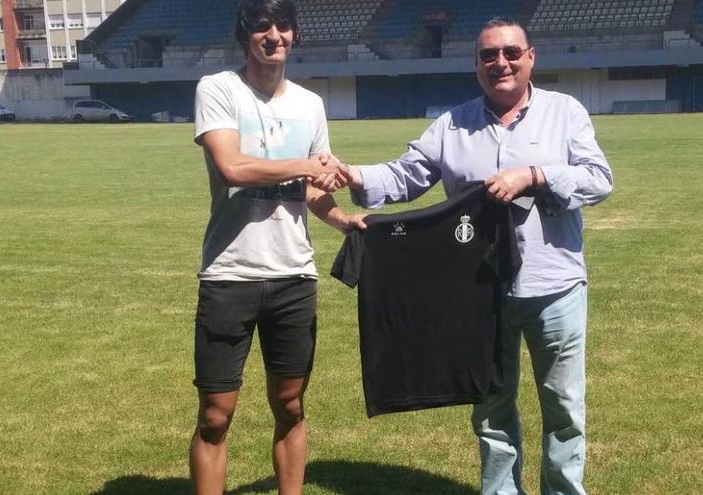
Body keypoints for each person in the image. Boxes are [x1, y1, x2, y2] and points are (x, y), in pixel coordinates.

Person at [342, 17, 613, 495]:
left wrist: (534, 175)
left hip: (554, 287)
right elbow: (407, 175)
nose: (500, 63)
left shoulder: (565, 112)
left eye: (511, 52)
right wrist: (353, 175)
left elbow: (598, 179)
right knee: (491, 407)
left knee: (565, 407)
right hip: (478, 294)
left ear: (531, 57)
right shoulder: (453, 124)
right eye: (489, 55)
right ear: (476, 65)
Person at [189, 1, 364, 494]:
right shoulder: (218, 89)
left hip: (293, 276)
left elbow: (311, 189)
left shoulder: (309, 104)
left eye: (282, 26)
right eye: (261, 26)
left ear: (295, 34)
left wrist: (343, 218)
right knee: (215, 414)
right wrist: (305, 165)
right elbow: (233, 168)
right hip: (229, 274)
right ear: (245, 35)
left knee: (290, 405)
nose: (274, 35)